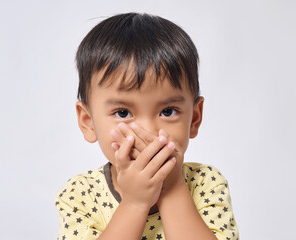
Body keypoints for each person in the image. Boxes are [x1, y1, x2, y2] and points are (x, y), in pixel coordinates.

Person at [55, 12, 239, 240]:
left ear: (194, 119)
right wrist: (134, 203)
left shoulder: (206, 184)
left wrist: (171, 188)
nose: (150, 131)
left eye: (168, 111)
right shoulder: (80, 194)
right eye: (123, 113)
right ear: (88, 122)